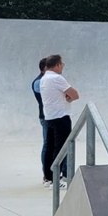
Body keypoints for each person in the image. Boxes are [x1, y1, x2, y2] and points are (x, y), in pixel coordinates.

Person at [40, 55, 80, 187]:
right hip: (61, 117)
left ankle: (49, 178)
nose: (62, 66)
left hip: (49, 117)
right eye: (61, 64)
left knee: (50, 147)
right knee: (61, 148)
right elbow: (75, 94)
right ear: (57, 65)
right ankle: (56, 180)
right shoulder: (57, 78)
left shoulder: (44, 78)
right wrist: (69, 98)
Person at [32, 58, 49, 171]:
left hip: (51, 116)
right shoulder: (39, 82)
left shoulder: (47, 80)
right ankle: (47, 175)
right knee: (48, 145)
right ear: (44, 69)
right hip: (46, 117)